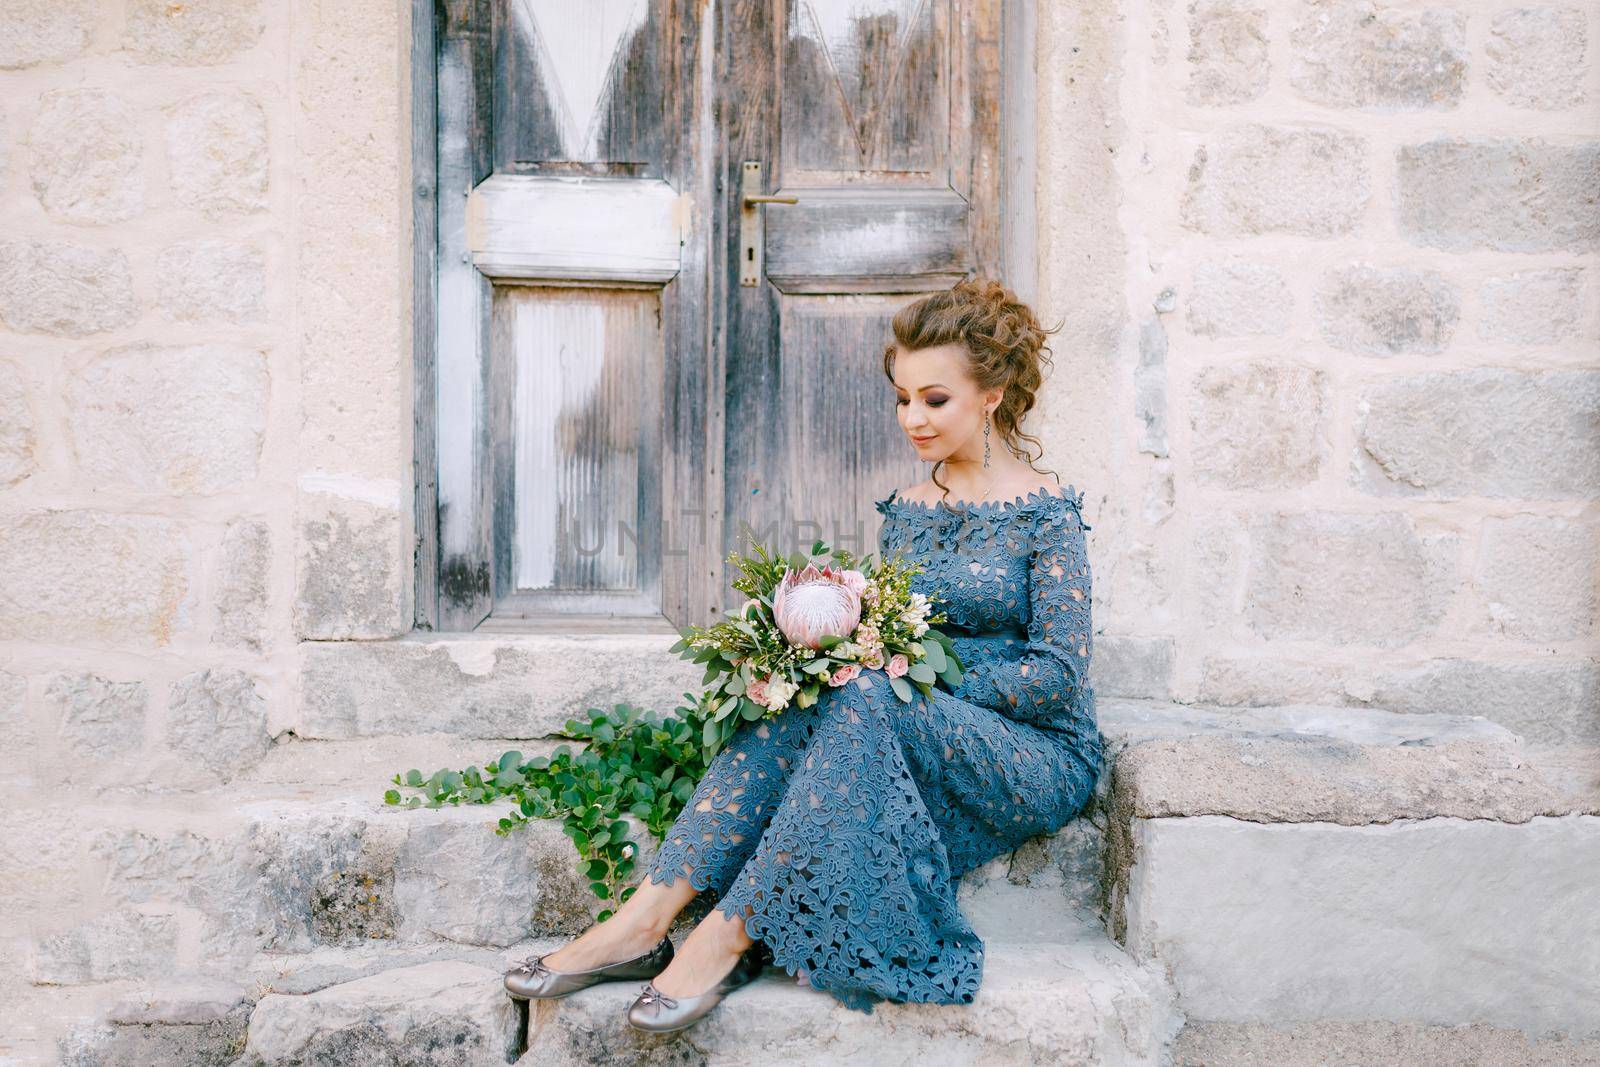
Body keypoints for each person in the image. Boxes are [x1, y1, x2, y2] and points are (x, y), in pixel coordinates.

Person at [504, 278, 1106, 1033]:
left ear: (992, 394)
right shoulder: (908, 510)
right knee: (818, 686)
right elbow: (895, 649)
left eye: (934, 399)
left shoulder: (1048, 513)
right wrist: (844, 653)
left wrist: (916, 678)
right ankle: (646, 914)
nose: (911, 418)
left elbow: (1057, 677)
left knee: (863, 690)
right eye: (902, 398)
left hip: (1032, 751)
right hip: (913, 721)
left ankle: (730, 932)